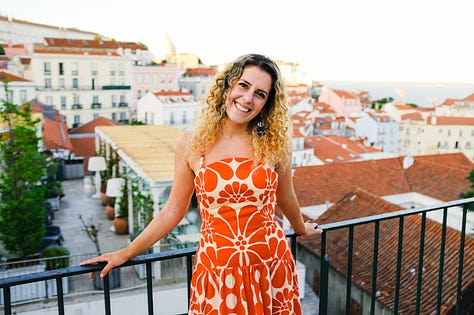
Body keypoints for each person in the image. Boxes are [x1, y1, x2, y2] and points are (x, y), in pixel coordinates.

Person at [81, 53, 321, 314]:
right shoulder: (193, 144)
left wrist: (300, 228)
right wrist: (126, 253)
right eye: (243, 85)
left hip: (270, 265)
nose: (248, 98)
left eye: (260, 94)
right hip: (218, 270)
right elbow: (174, 209)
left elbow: (286, 198)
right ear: (228, 85)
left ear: (267, 104)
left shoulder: (274, 145)